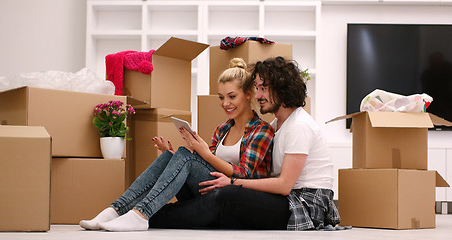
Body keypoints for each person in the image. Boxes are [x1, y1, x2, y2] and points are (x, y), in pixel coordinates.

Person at [79, 58, 274, 231]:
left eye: (232, 96)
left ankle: (140, 214)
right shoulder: (222, 130)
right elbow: (209, 166)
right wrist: (175, 159)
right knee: (172, 156)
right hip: (210, 188)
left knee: (186, 156)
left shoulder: (262, 131)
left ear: (249, 94)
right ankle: (115, 210)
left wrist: (204, 154)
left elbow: (244, 173)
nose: (225, 104)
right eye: (221, 98)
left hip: (235, 196)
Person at [149, 56, 341, 230]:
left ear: (283, 89)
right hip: (284, 199)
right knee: (214, 198)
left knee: (227, 195)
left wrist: (233, 182)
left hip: (303, 204)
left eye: (263, 88)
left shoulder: (299, 125)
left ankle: (153, 217)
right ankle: (149, 213)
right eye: (257, 88)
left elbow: (284, 186)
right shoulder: (277, 124)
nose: (258, 96)